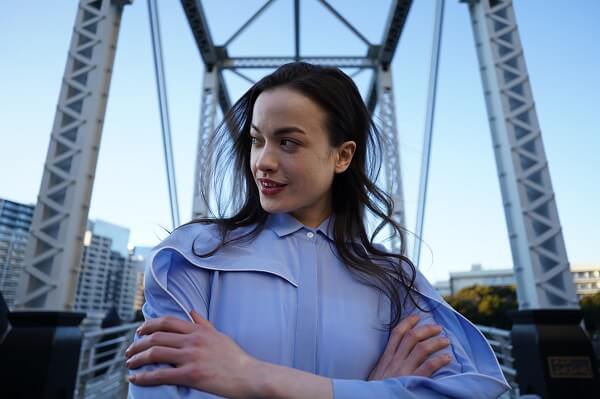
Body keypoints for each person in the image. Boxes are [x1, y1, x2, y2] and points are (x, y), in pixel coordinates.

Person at [125, 62, 510, 398]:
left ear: (342, 156)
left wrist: (254, 376)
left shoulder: (395, 280)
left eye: (288, 142)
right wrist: (372, 392)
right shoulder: (190, 257)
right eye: (257, 141)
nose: (263, 162)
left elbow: (472, 388)